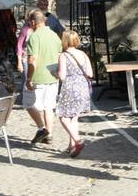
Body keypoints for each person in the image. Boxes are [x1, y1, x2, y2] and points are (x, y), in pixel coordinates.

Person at [25, 10, 63, 145]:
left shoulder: (34, 37)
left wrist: (29, 78)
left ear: (33, 22)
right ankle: (49, 134)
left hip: (38, 76)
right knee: (49, 106)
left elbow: (32, 60)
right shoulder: (54, 36)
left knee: (29, 104)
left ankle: (42, 128)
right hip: (53, 77)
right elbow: (59, 56)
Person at [56, 30, 94, 157]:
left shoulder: (63, 55)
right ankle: (71, 145)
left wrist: (54, 72)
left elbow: (62, 76)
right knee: (74, 117)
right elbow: (90, 74)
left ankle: (77, 141)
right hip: (83, 87)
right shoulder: (83, 54)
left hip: (70, 88)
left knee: (63, 117)